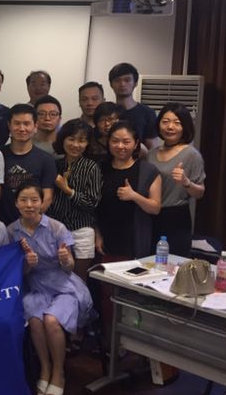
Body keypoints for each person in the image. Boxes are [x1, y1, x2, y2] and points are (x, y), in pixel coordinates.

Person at [7, 182, 92, 395]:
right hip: (35, 285)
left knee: (51, 320)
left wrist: (65, 259)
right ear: (16, 203)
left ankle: (58, 371)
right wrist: (27, 265)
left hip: (63, 285)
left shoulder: (57, 227)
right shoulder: (12, 231)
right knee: (35, 320)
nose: (29, 205)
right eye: (24, 200)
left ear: (42, 203)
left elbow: (70, 267)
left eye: (34, 200)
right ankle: (44, 369)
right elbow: (15, 272)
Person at [95, 121, 162, 261]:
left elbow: (155, 208)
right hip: (104, 238)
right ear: (108, 142)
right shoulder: (99, 168)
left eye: (126, 142)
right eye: (115, 141)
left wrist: (134, 196)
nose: (120, 146)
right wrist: (97, 233)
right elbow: (94, 207)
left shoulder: (148, 171)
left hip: (134, 240)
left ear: (136, 144)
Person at [146, 103, 205, 257]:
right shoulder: (151, 154)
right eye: (165, 122)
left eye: (177, 123)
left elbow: (200, 193)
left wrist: (186, 182)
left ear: (185, 127)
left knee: (174, 264)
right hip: (149, 215)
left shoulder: (191, 154)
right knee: (148, 263)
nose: (170, 127)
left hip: (176, 218)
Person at [47, 119, 102, 282]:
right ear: (63, 139)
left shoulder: (92, 167)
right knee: (57, 275)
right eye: (71, 139)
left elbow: (92, 203)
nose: (76, 145)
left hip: (81, 229)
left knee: (79, 279)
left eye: (82, 140)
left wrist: (68, 190)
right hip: (56, 228)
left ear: (87, 143)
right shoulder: (54, 164)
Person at [0, 104, 57, 225]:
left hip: (33, 226)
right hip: (1, 226)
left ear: (35, 127)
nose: (22, 128)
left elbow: (47, 198)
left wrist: (26, 224)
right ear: (9, 126)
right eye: (17, 123)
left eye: (27, 124)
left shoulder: (46, 159)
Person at [108, 62, 158, 150]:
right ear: (111, 84)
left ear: (135, 83)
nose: (122, 84)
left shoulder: (148, 113)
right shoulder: (107, 112)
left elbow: (152, 149)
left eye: (127, 80)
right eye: (117, 80)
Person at [87, 102, 122, 166]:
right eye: (102, 120)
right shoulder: (91, 144)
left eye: (111, 119)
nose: (107, 124)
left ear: (118, 120)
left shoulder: (125, 142)